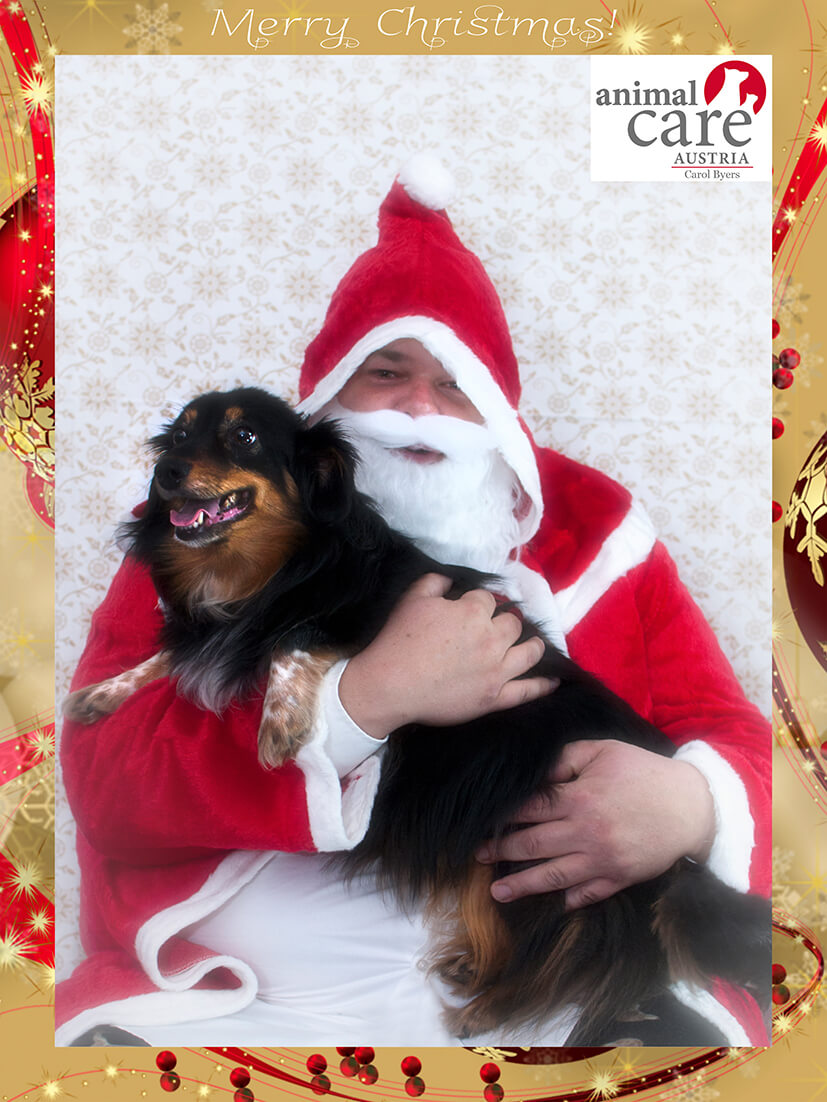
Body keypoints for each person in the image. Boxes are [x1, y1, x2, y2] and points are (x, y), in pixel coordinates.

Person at [56, 157, 770, 1048]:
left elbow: (735, 735)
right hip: (241, 1006)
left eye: (454, 383)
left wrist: (689, 804)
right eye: (385, 372)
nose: (418, 410)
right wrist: (360, 702)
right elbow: (105, 777)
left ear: (496, 414)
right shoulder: (213, 536)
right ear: (327, 406)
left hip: (561, 995)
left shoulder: (597, 532)